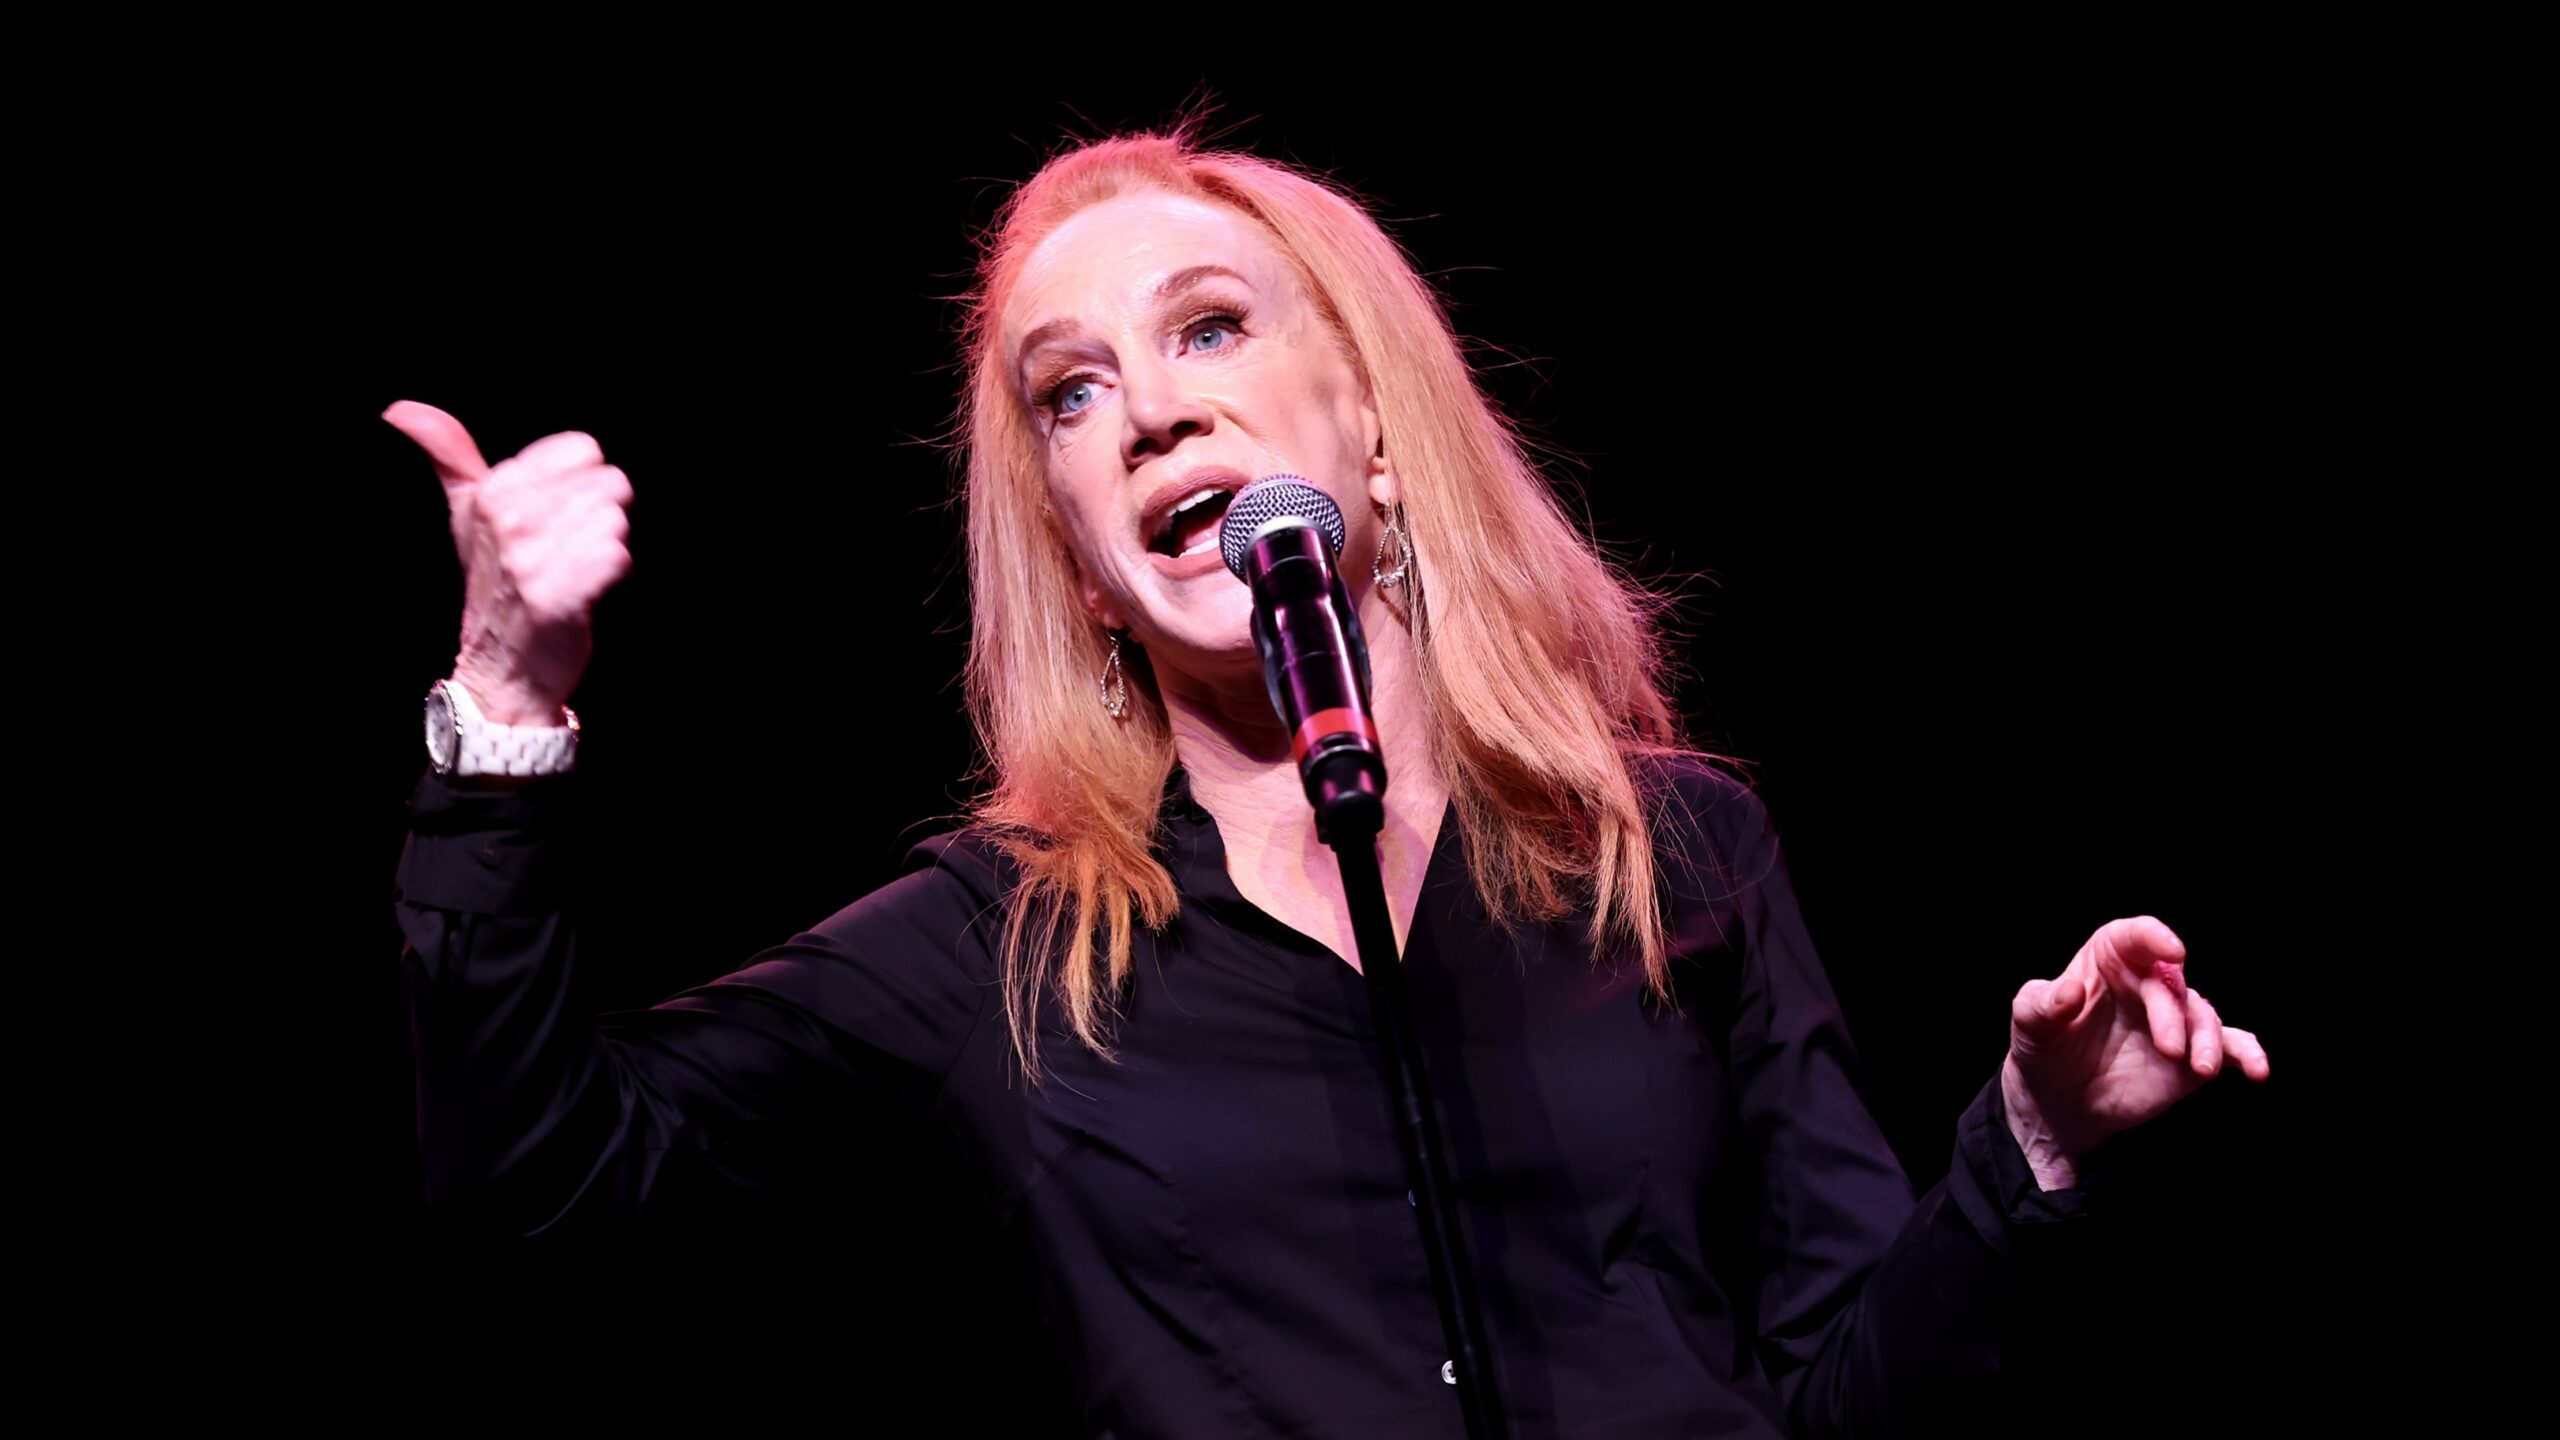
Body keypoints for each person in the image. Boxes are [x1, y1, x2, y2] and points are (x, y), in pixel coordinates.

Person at [388, 127, 2269, 1438]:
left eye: (1209, 327)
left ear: (1368, 425)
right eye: (1071, 390)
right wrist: (503, 701)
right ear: (1064, 534)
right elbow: (541, 1195)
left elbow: (1848, 1394)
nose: (1151, 404)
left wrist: (2032, 1152)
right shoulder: (1001, 942)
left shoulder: (1674, 849)